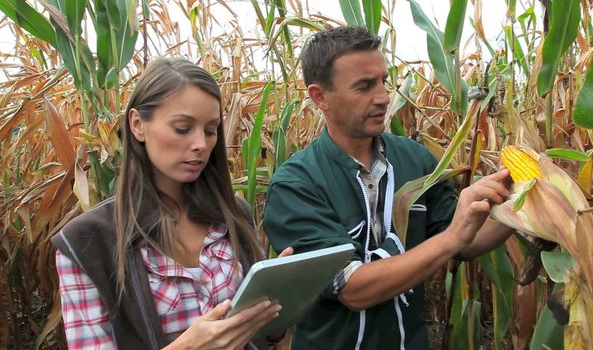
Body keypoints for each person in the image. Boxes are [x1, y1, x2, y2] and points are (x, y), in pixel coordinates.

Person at [262, 26, 514, 349]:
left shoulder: (414, 159)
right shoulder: (296, 185)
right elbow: (354, 289)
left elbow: (467, 237)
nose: (383, 97)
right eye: (364, 86)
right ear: (320, 96)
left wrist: (519, 205)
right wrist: (452, 238)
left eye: (383, 81)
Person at [52, 58, 291, 350]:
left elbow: (257, 337)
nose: (201, 144)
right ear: (138, 124)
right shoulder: (86, 243)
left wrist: (274, 300)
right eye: (182, 128)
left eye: (210, 130)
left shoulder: (233, 214)